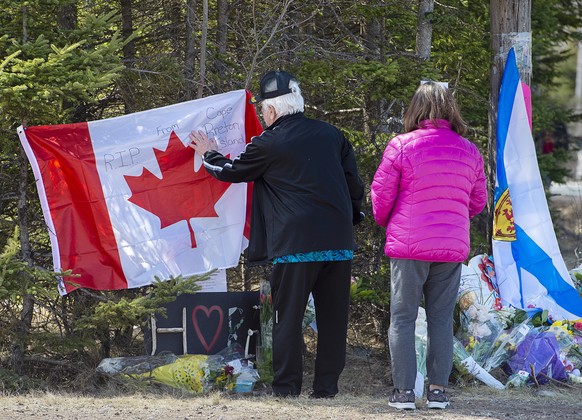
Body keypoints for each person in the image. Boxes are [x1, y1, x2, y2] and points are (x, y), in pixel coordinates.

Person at [189, 70, 364, 398]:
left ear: (270, 111)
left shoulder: (271, 142)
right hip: (338, 243)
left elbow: (232, 171)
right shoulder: (333, 135)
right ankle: (326, 390)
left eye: (262, 111)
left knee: (288, 318)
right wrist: (351, 219)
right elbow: (354, 186)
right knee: (333, 321)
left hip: (296, 245)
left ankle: (286, 390)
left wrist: (207, 153)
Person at [370, 81, 487, 410]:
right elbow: (477, 202)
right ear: (451, 109)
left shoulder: (401, 145)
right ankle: (438, 392)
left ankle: (404, 393)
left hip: (408, 245)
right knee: (440, 319)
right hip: (449, 247)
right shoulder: (469, 150)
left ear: (416, 109)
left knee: (403, 319)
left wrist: (388, 222)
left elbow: (381, 196)